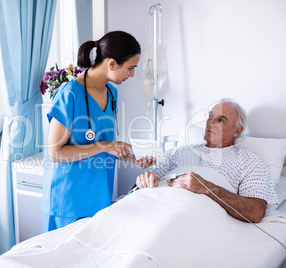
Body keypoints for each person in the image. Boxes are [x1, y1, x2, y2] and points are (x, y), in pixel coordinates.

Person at [43, 31, 155, 232]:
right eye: (130, 68)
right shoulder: (70, 94)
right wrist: (105, 145)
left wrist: (132, 159)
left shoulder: (112, 93)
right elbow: (55, 153)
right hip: (71, 201)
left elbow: (105, 146)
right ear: (111, 64)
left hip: (100, 197)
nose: (132, 75)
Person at [135, 98, 278, 223]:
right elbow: (142, 185)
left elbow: (255, 213)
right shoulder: (178, 151)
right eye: (210, 117)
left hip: (192, 217)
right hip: (152, 209)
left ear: (237, 131)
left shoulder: (249, 162)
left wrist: (207, 188)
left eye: (220, 120)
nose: (210, 123)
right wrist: (145, 180)